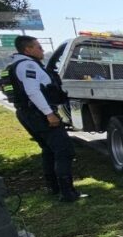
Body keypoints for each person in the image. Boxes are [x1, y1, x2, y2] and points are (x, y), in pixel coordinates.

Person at [7, 35, 83, 202]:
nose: (41, 50)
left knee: (49, 150)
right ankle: (68, 193)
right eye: (38, 47)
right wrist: (48, 113)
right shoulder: (28, 65)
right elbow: (33, 91)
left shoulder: (19, 64)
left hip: (29, 113)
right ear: (28, 49)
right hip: (38, 114)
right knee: (64, 150)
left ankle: (53, 188)